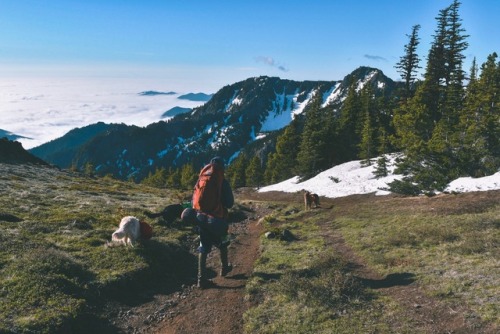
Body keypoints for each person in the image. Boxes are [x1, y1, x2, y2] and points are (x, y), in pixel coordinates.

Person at [181, 156, 234, 288]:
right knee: (223, 242)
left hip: (201, 218)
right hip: (217, 219)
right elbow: (230, 203)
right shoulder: (222, 181)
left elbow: (195, 199)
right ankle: (224, 267)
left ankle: (201, 279)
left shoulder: (202, 178)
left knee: (203, 247)